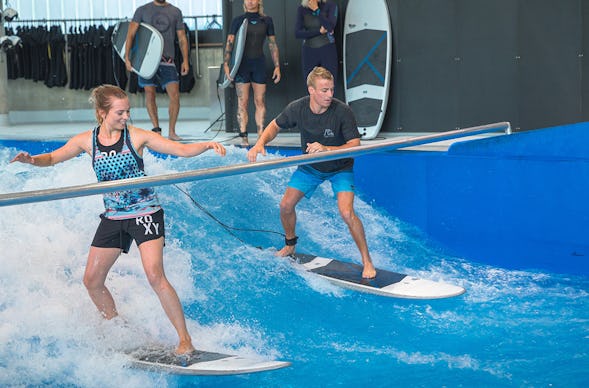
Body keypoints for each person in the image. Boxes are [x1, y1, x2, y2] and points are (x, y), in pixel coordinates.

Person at [11, 84, 226, 355]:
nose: (126, 117)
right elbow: (53, 157)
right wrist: (32, 160)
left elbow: (178, 150)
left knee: (155, 276)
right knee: (92, 279)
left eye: (127, 112)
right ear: (102, 113)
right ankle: (118, 329)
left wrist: (206, 145)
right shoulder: (86, 141)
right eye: (120, 112)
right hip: (113, 216)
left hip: (145, 213)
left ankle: (185, 340)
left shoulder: (135, 137)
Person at [246, 67, 376, 279]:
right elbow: (275, 125)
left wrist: (327, 149)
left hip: (340, 167)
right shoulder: (297, 108)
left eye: (331, 90)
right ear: (311, 91)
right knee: (286, 205)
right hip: (311, 166)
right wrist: (260, 142)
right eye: (324, 90)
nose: (329, 95)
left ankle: (367, 261)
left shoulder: (342, 111)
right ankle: (290, 245)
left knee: (346, 213)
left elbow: (355, 145)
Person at [125, 0, 189, 141]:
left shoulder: (175, 11)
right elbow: (130, 34)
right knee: (150, 93)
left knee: (175, 95)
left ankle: (172, 131)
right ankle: (156, 129)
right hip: (146, 60)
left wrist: (185, 60)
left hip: (167, 59)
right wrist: (127, 57)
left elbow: (182, 38)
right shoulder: (142, 10)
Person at [223, 0, 281, 146]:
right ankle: (244, 137)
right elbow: (230, 42)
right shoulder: (238, 21)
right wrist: (226, 64)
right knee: (242, 102)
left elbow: (272, 44)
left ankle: (261, 135)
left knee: (259, 101)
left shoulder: (267, 20)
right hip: (242, 66)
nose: (250, 1)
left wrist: (277, 66)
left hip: (259, 65)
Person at [295, 0, 339, 84]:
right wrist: (319, 31)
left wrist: (316, 10)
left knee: (329, 82)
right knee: (310, 84)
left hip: (327, 49)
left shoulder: (330, 5)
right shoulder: (302, 8)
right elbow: (297, 34)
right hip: (309, 50)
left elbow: (330, 27)